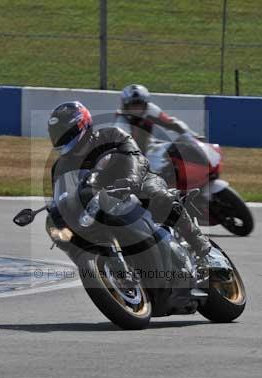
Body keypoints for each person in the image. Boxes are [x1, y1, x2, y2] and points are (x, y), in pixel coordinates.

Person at [47, 100, 211, 258]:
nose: (61, 138)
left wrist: (130, 180)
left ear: (81, 126)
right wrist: (56, 211)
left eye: (65, 133)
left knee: (160, 197)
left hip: (138, 181)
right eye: (57, 134)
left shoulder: (111, 135)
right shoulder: (60, 167)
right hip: (99, 202)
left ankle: (200, 244)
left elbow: (136, 158)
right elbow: (62, 195)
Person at [116, 84, 196, 153]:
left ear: (145, 104)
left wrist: (192, 136)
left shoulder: (150, 109)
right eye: (133, 105)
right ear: (126, 106)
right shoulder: (121, 122)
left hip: (151, 148)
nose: (137, 109)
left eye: (140, 104)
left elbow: (171, 122)